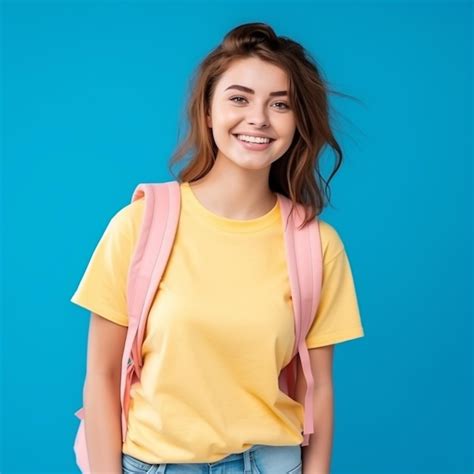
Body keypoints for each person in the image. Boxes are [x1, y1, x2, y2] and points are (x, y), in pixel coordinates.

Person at [70, 22, 365, 474]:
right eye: (239, 98)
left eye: (280, 104)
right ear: (207, 111)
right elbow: (102, 378)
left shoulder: (316, 244)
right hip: (155, 464)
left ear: (297, 121)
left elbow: (318, 388)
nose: (259, 119)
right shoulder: (139, 224)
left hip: (272, 463)